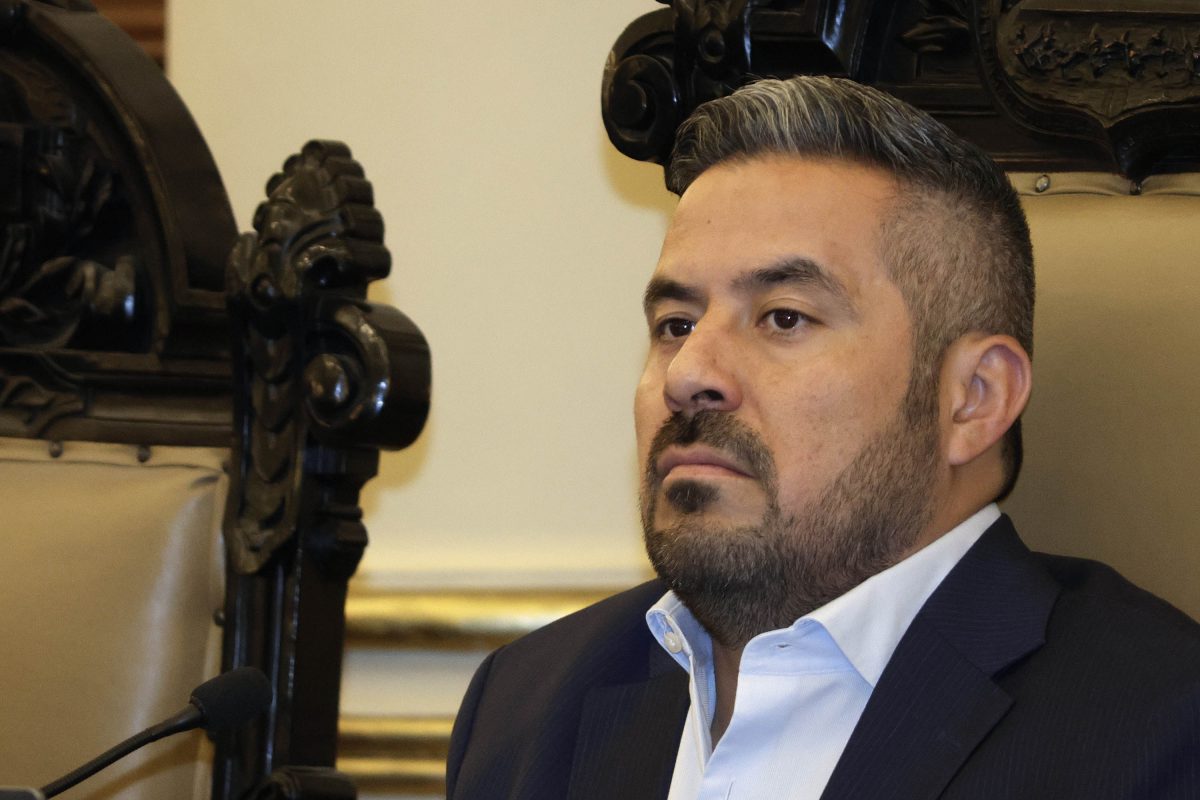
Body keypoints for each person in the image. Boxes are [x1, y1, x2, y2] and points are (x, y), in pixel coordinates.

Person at [445, 76, 1200, 799]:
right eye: (675, 324)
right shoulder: (525, 705)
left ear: (975, 399)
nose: (689, 373)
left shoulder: (1160, 731)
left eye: (784, 318)